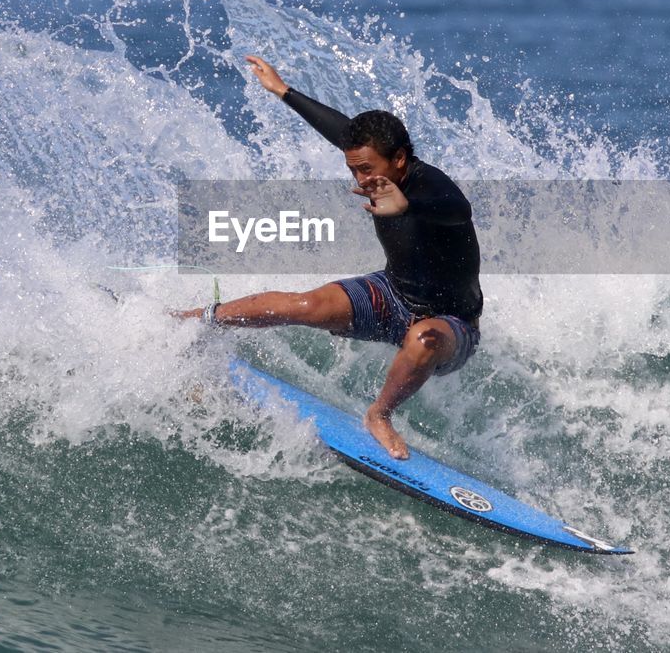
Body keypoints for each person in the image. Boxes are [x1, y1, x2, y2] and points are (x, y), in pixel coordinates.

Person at [175, 56, 482, 460]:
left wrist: (406, 207)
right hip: (391, 295)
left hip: (450, 325)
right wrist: (282, 90)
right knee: (305, 305)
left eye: (368, 169)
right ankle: (196, 321)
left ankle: (379, 416)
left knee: (421, 340)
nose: (362, 179)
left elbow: (458, 210)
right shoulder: (373, 162)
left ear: (400, 158)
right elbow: (338, 129)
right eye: (353, 169)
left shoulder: (431, 187)